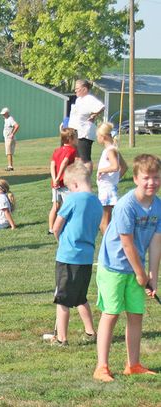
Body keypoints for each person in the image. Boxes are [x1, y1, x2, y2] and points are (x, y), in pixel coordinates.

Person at [93, 154, 161, 382]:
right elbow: (127, 242)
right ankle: (101, 366)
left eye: (156, 177)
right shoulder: (126, 205)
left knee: (136, 315)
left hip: (136, 269)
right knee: (111, 314)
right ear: (135, 179)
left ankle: (133, 364)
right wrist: (141, 273)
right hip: (114, 267)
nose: (151, 182)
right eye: (146, 178)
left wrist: (152, 275)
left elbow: (156, 241)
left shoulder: (158, 206)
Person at [49, 163, 103, 346]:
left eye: (69, 187)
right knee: (80, 296)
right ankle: (90, 332)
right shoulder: (97, 202)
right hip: (87, 257)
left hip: (68, 256)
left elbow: (56, 227)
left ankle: (61, 338)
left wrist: (61, 241)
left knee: (62, 299)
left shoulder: (72, 200)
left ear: (75, 184)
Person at [96, 122, 128, 234]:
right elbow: (124, 167)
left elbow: (115, 166)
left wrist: (101, 170)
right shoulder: (114, 149)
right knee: (107, 218)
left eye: (98, 136)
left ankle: (108, 243)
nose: (97, 139)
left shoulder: (109, 150)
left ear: (103, 136)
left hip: (106, 189)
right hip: (110, 187)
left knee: (104, 221)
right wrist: (115, 179)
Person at [68, 79, 104, 173]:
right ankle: (80, 177)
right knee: (77, 157)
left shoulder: (89, 99)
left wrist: (94, 115)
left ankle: (87, 178)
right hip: (76, 132)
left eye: (77, 88)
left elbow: (101, 106)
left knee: (85, 158)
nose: (75, 90)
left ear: (84, 89)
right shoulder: (79, 100)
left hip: (84, 132)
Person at [48, 128, 77, 234]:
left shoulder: (57, 150)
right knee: (68, 205)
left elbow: (52, 165)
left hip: (55, 184)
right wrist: (58, 177)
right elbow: (65, 163)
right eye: (76, 138)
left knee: (55, 206)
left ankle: (51, 228)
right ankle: (68, 227)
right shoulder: (72, 150)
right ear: (70, 139)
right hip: (64, 183)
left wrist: (54, 178)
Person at [0, 107, 19, 171]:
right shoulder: (6, 119)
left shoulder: (10, 119)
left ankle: (10, 166)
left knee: (9, 152)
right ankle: (10, 165)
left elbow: (16, 126)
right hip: (7, 138)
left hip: (9, 138)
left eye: (4, 114)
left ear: (7, 113)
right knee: (9, 153)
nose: (3, 115)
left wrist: (12, 134)